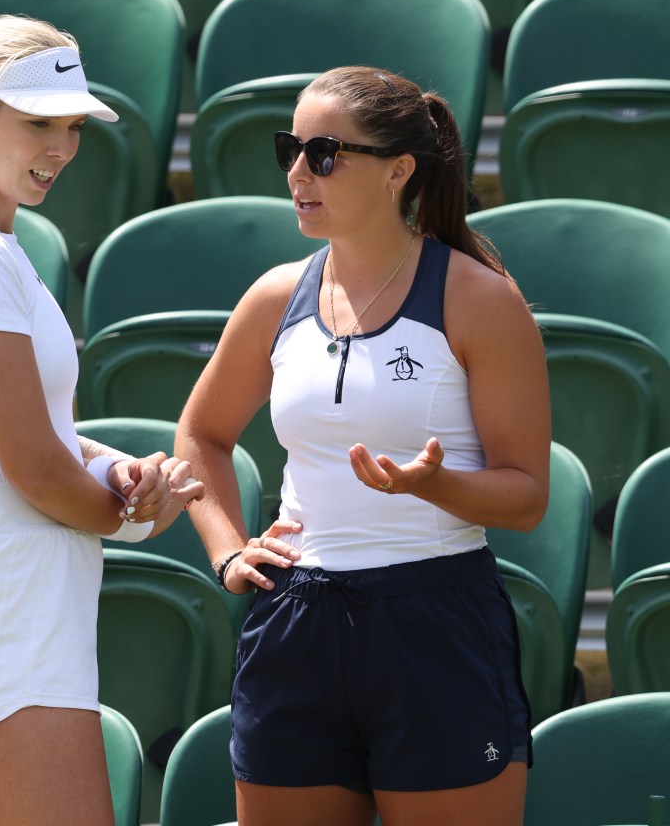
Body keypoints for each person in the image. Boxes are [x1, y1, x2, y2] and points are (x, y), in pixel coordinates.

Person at [175, 65, 550, 826]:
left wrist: (429, 486)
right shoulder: (276, 295)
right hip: (295, 623)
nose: (297, 172)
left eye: (324, 153)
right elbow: (201, 435)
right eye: (290, 148)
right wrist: (227, 549)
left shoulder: (480, 298)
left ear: (399, 171)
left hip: (435, 623)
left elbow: (527, 495)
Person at [0, 14, 204, 826]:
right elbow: (30, 468)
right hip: (4, 608)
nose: (60, 147)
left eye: (70, 127)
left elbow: (30, 437)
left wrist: (115, 473)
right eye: (37, 124)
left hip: (3, 600)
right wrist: (131, 514)